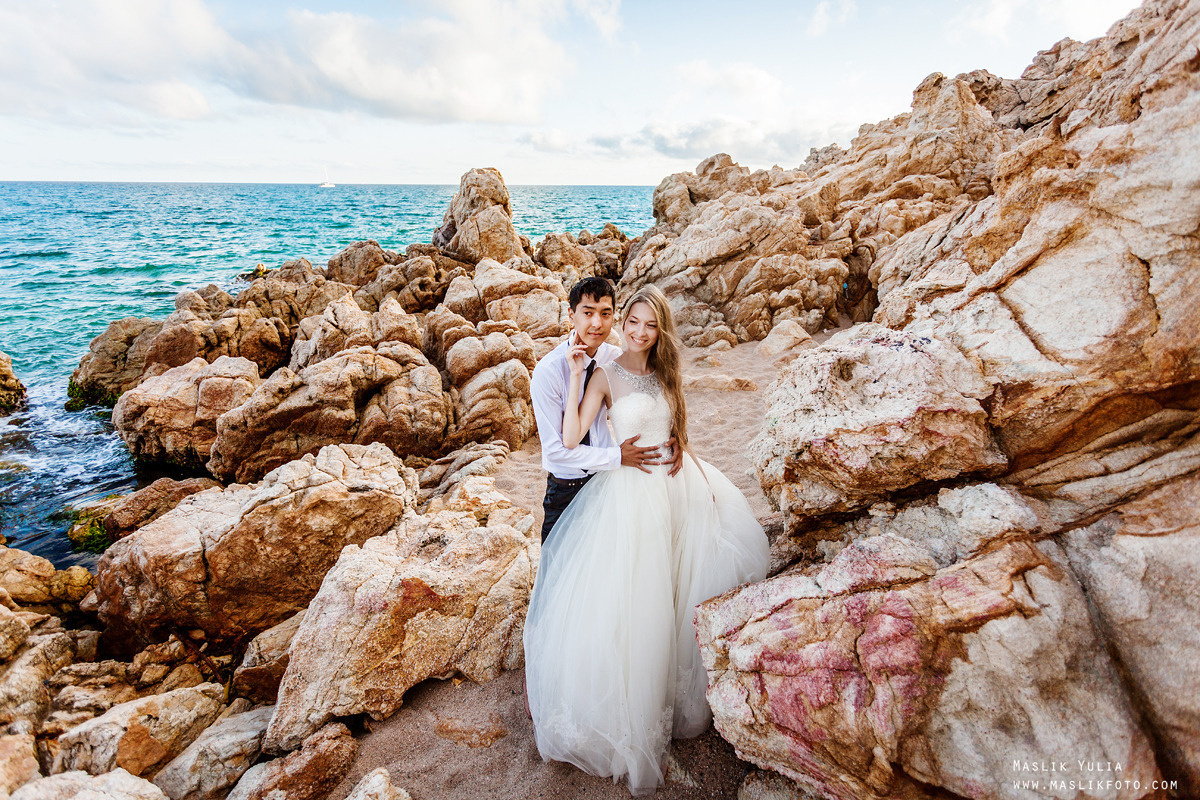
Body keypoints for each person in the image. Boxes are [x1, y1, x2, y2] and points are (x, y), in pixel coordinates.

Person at [523, 283, 770, 796]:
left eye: (638, 321)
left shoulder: (638, 360)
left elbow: (670, 411)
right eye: (595, 315)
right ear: (572, 314)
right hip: (598, 485)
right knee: (591, 588)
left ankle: (665, 689)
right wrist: (576, 380)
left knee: (673, 583)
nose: (627, 328)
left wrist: (680, 445)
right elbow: (564, 446)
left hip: (664, 486)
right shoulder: (570, 369)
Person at [529, 276, 681, 544]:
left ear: (614, 317)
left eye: (605, 313)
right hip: (567, 489)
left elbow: (653, 391)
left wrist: (672, 438)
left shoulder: (614, 357)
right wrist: (616, 457)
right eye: (587, 313)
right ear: (571, 315)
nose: (596, 323)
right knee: (558, 573)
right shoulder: (548, 372)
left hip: (608, 483)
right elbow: (556, 451)